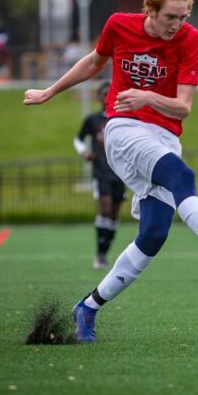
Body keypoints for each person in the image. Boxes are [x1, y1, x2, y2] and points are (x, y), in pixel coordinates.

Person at [23, 0, 198, 343]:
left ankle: (87, 307)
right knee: (182, 177)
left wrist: (149, 96)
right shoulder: (119, 25)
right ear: (149, 11)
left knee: (152, 235)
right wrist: (49, 92)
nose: (178, 25)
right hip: (123, 130)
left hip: (166, 136)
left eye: (184, 17)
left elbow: (183, 108)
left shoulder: (190, 39)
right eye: (171, 17)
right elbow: (93, 62)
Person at [74, 81, 126, 270]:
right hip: (101, 171)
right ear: (98, 97)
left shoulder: (123, 118)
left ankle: (105, 250)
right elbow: (78, 139)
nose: (106, 96)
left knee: (113, 215)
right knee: (104, 209)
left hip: (121, 173)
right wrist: (84, 152)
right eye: (103, 93)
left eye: (109, 93)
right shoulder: (93, 120)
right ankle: (100, 254)